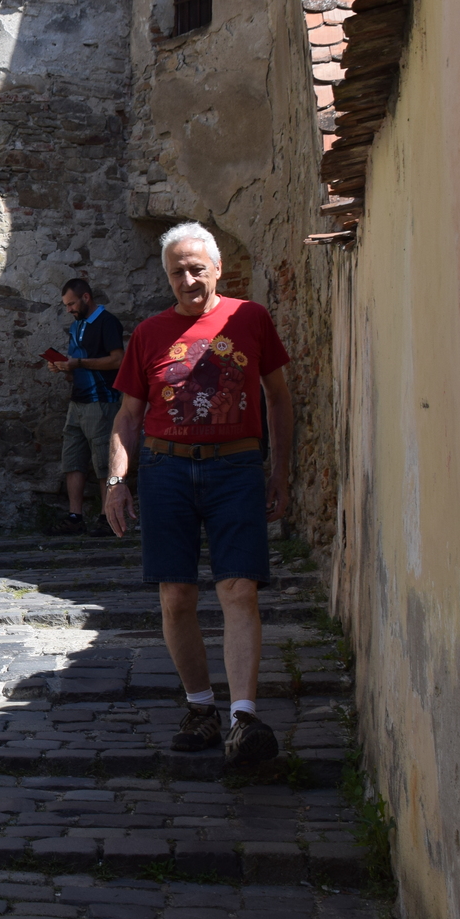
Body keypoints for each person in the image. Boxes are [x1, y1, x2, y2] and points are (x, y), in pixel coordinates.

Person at [104, 221, 293, 768]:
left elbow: (278, 398)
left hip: (236, 467)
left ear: (217, 268)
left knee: (239, 589)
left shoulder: (250, 318)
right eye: (176, 273)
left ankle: (244, 717)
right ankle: (201, 706)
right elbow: (128, 416)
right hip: (166, 470)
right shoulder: (149, 333)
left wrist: (281, 471)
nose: (187, 280)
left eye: (195, 269)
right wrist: (116, 481)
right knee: (176, 597)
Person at [47, 278, 126, 536]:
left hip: (102, 401)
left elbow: (118, 360)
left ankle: (107, 518)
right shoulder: (76, 325)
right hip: (77, 401)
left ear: (86, 297)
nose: (68, 309)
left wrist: (78, 363)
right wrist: (63, 367)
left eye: (71, 304)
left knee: (103, 461)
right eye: (66, 305)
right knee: (72, 460)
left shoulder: (107, 322)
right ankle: (75, 517)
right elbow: (76, 367)